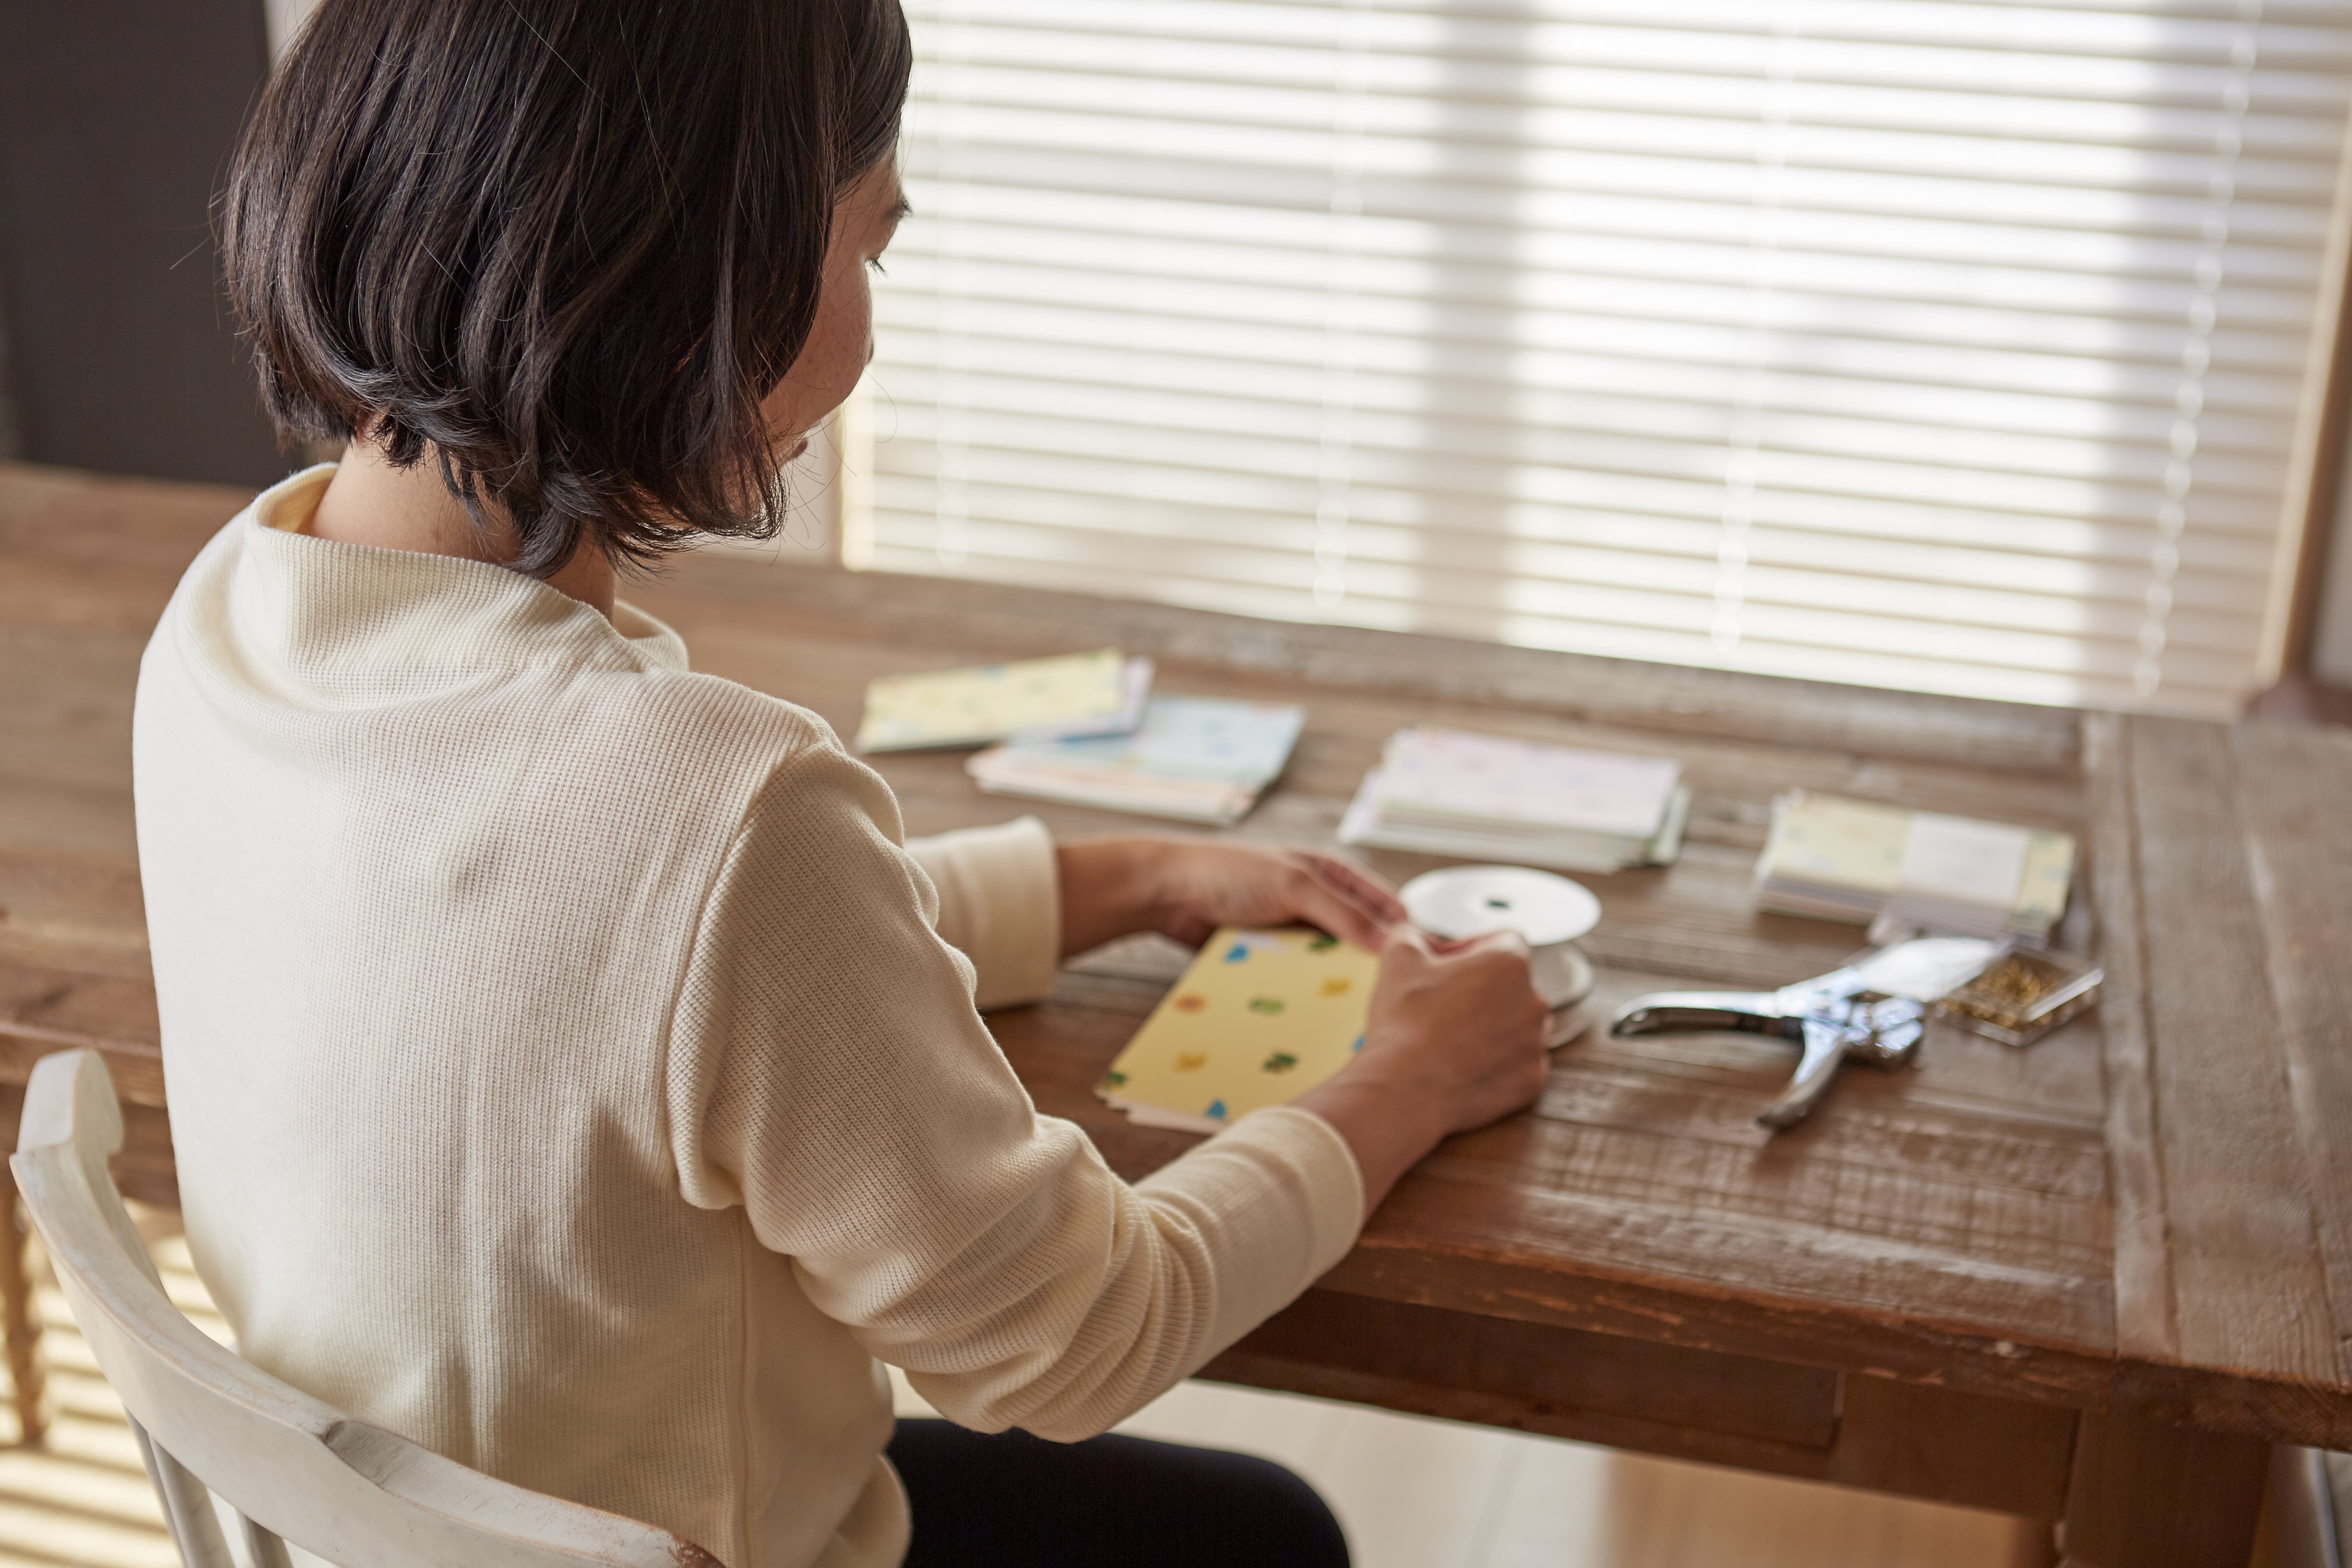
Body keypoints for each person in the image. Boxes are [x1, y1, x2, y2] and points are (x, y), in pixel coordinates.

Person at [132, 2, 1552, 1565]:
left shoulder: (238, 610)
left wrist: (1115, 883)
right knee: (1268, 1534)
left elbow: (621, 972)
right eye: (870, 242)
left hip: (385, 1519)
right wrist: (1416, 1073)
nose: (872, 327)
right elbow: (1075, 1339)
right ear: (684, 268)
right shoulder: (715, 805)